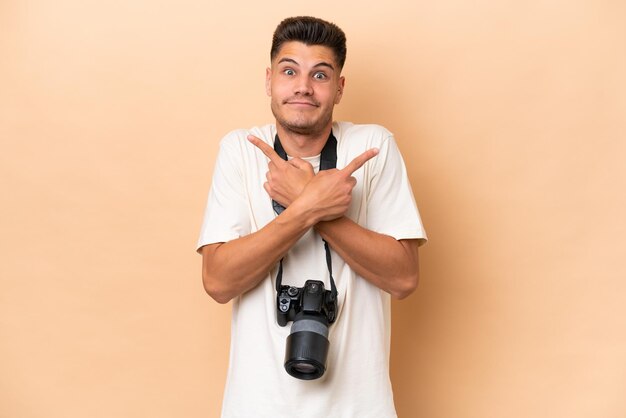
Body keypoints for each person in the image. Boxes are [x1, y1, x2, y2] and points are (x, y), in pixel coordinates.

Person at [197, 16, 427, 418]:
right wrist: (308, 207)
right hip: (257, 405)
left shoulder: (372, 146)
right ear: (269, 80)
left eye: (320, 74)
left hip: (360, 407)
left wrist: (310, 204)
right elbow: (218, 281)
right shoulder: (240, 149)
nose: (303, 86)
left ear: (339, 88)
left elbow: (404, 277)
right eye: (290, 71)